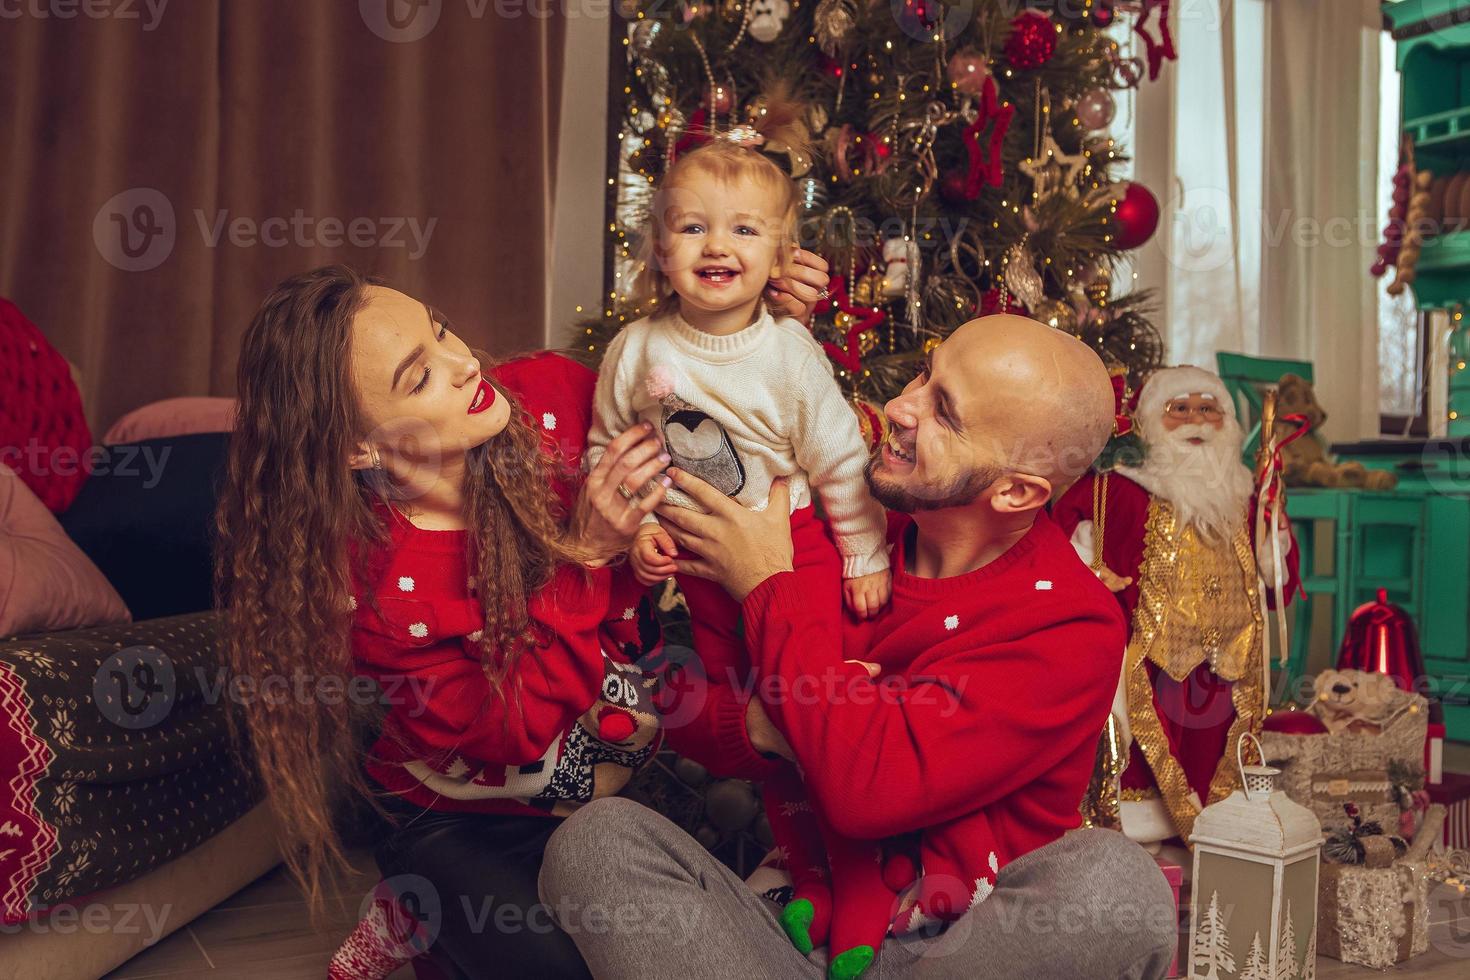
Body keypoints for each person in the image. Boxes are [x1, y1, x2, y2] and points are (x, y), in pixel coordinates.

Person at [213, 260, 829, 980]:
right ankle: (413, 908)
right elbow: (512, 732)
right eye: (420, 377)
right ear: (359, 447)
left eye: (441, 330)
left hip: (605, 777)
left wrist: (762, 319)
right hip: (468, 819)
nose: (466, 361)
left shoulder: (548, 398)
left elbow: (687, 388)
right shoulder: (376, 590)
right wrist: (589, 557)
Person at [538, 314, 1180, 980]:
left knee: (1118, 888)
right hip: (791, 929)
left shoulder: (1070, 624)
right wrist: (765, 723)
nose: (900, 407)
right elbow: (697, 714)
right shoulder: (852, 534)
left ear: (1015, 491)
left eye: (944, 413)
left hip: (956, 951)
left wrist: (767, 585)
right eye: (925, 374)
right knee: (596, 844)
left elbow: (866, 790)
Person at [585, 103, 902, 970]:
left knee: (814, 719)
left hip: (795, 545)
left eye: (743, 230)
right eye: (692, 226)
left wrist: (866, 553)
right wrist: (641, 527)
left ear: (778, 255)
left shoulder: (789, 353)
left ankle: (866, 900)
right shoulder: (635, 347)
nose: (717, 245)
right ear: (659, 249)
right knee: (760, 733)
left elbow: (840, 459)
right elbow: (607, 451)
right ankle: (807, 884)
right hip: (700, 562)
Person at [1052, 365, 1299, 851]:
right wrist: (1087, 579)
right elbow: (1062, 551)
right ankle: (1137, 843)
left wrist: (1276, 533)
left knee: (1217, 753)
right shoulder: (1115, 487)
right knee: (1140, 763)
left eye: (1207, 410)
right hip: (1145, 662)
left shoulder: (1244, 494)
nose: (1195, 421)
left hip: (1228, 663)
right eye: (1178, 410)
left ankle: (1216, 840)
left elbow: (1276, 582)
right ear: (1148, 420)